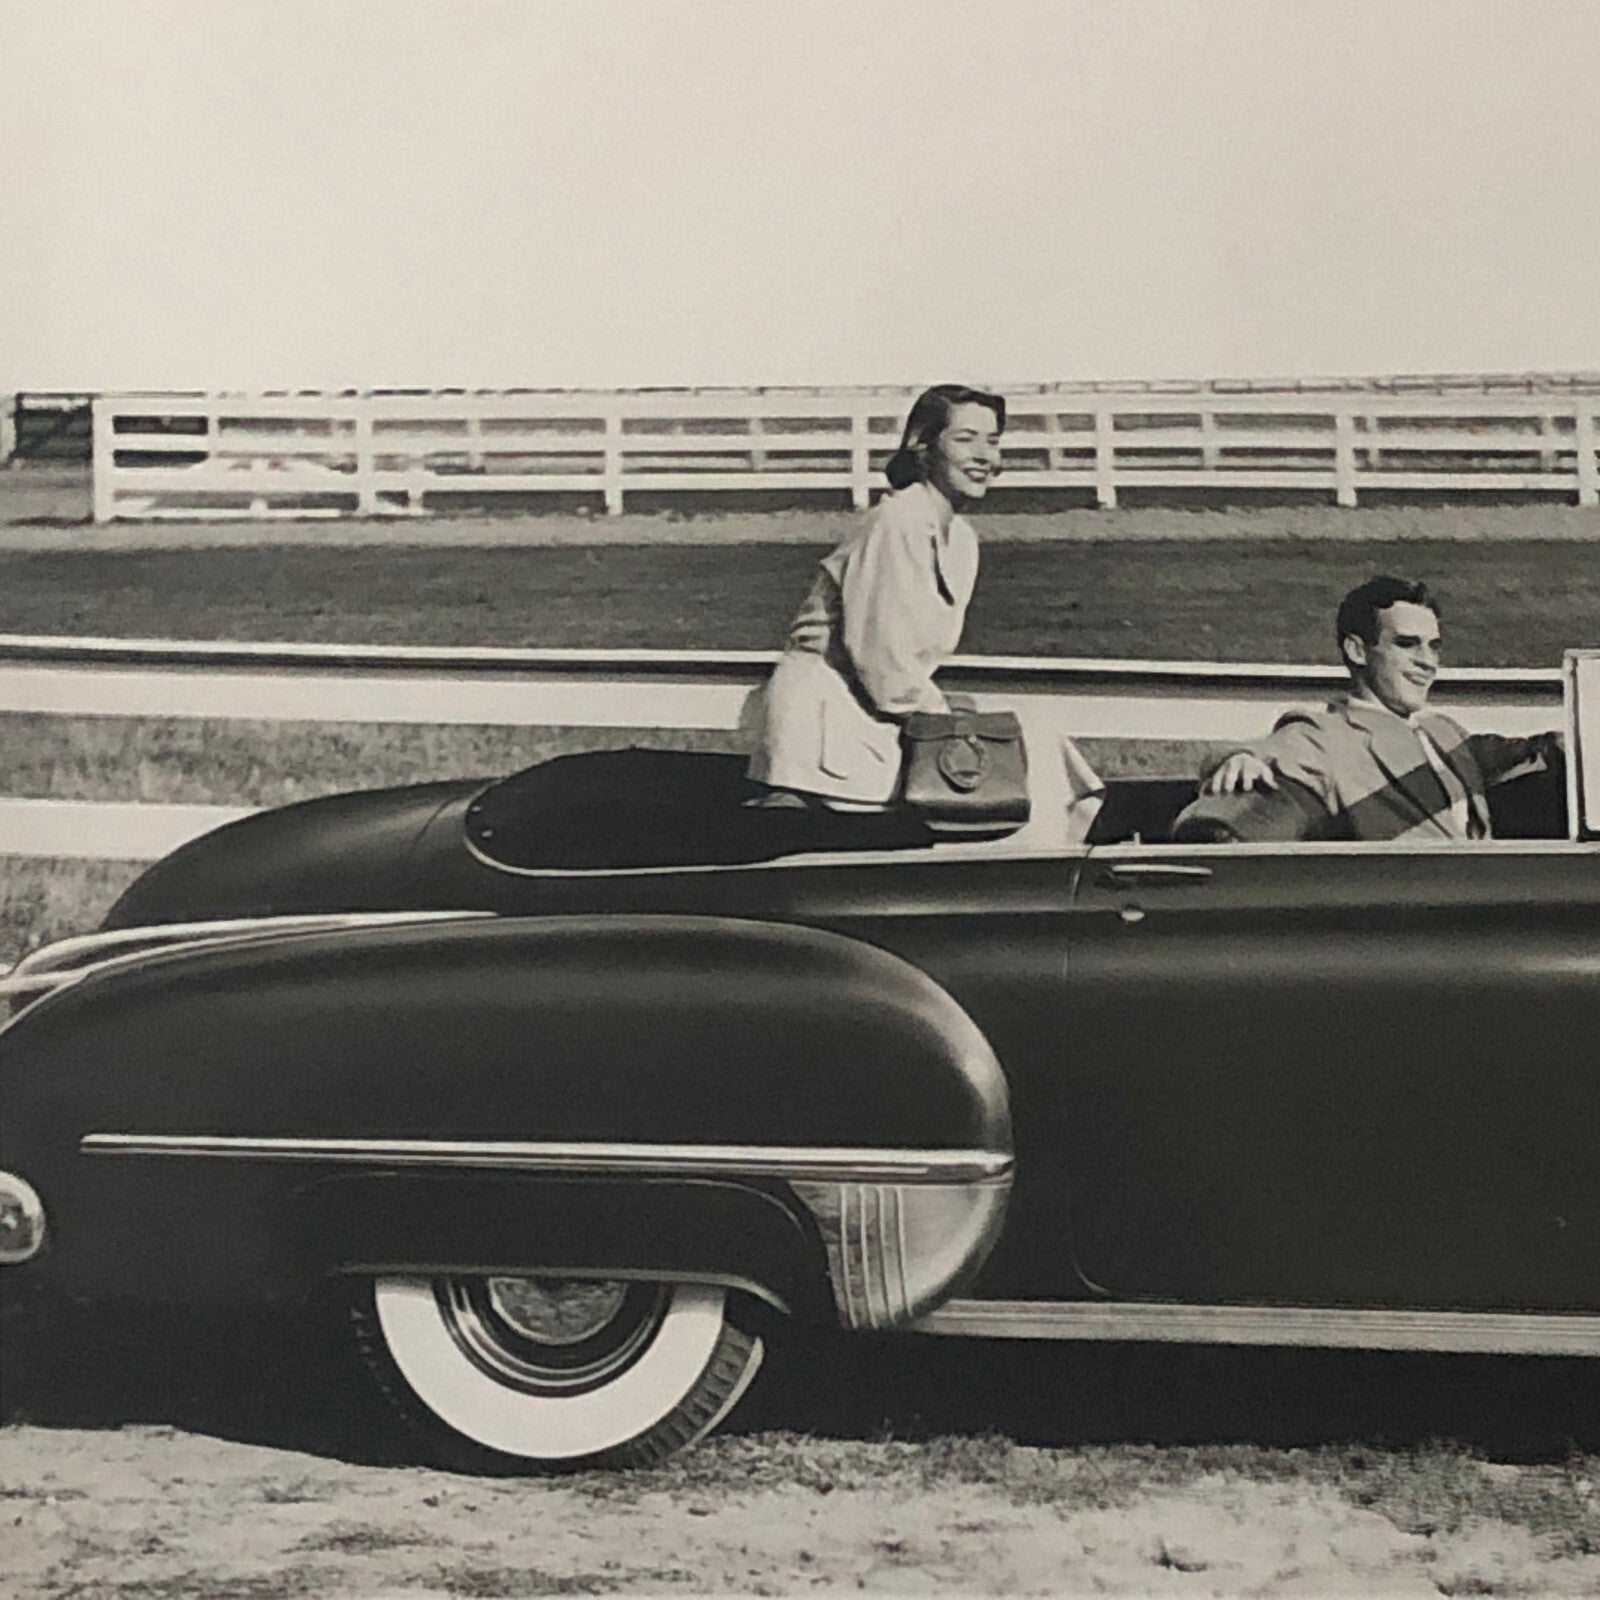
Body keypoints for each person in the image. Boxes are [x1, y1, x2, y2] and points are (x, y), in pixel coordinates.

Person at [746, 384, 1003, 809]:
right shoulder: (897, 522)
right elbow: (882, 656)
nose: (984, 456)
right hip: (821, 734)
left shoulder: (961, 541)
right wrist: (951, 720)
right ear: (923, 447)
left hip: (879, 723)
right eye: (965, 438)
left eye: (992, 441)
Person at [1172, 575, 1562, 843]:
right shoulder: (1327, 735)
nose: (1428, 662)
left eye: (1434, 646)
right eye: (1408, 644)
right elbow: (1267, 751)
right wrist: (1238, 757)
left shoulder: (1445, 731)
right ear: (1358, 651)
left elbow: (1525, 751)